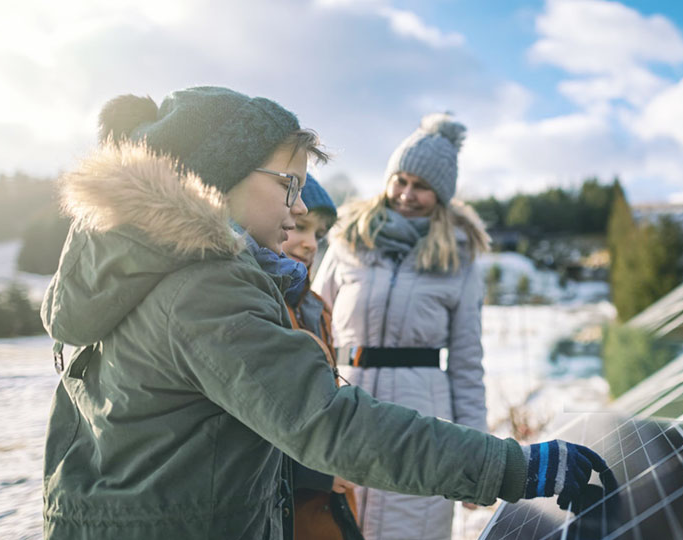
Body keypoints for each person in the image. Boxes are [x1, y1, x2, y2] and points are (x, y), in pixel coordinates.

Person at [41, 86, 613, 540]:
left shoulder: (132, 267)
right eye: (288, 184)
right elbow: (327, 421)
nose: (297, 209)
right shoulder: (202, 288)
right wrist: (511, 467)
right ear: (219, 176)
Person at [310, 113, 486, 540]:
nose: (406, 194)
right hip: (346, 407)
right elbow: (312, 329)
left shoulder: (459, 259)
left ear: (440, 195)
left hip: (422, 417)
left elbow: (466, 363)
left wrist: (477, 458)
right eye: (400, 180)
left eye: (421, 186)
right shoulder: (347, 240)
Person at [281, 176, 362, 540]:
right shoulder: (253, 308)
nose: (310, 244)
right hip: (289, 509)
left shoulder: (316, 308)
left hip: (330, 506)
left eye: (319, 233)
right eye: (299, 227)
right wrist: (316, 472)